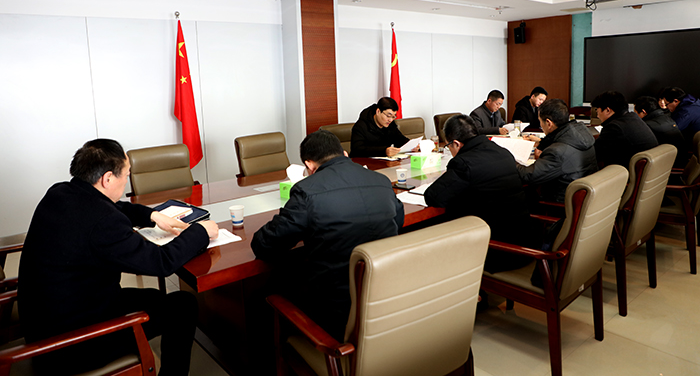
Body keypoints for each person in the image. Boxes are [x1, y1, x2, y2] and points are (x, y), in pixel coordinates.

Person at [18, 139, 220, 376]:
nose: (126, 182)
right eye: (126, 175)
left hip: (48, 321)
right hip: (71, 344)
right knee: (182, 306)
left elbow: (113, 207)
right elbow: (161, 262)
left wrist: (153, 215)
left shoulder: (60, 192)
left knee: (156, 299)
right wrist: (200, 232)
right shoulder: (104, 222)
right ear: (107, 179)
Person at [252, 130, 404, 341]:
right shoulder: (381, 180)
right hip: (384, 294)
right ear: (344, 153)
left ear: (309, 165)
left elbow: (265, 245)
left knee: (265, 292)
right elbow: (398, 220)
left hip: (334, 309)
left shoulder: (306, 190)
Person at [424, 114, 539, 273]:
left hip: (497, 251)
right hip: (526, 244)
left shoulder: (463, 163)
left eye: (449, 146)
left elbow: (433, 197)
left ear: (456, 143)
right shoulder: (503, 152)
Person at [517, 99, 597, 203]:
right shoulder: (582, 133)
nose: (541, 126)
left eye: (540, 121)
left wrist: (509, 160)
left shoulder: (556, 152)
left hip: (560, 202)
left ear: (549, 123)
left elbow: (527, 176)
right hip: (583, 197)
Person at [591, 91, 658, 168]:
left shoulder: (614, 127)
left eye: (597, 111)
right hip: (648, 169)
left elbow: (595, 153)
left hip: (624, 171)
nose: (598, 116)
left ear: (608, 110)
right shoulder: (633, 117)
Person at [634, 95, 687, 167]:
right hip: (680, 158)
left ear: (643, 111)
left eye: (636, 113)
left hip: (671, 164)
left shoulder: (648, 126)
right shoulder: (667, 117)